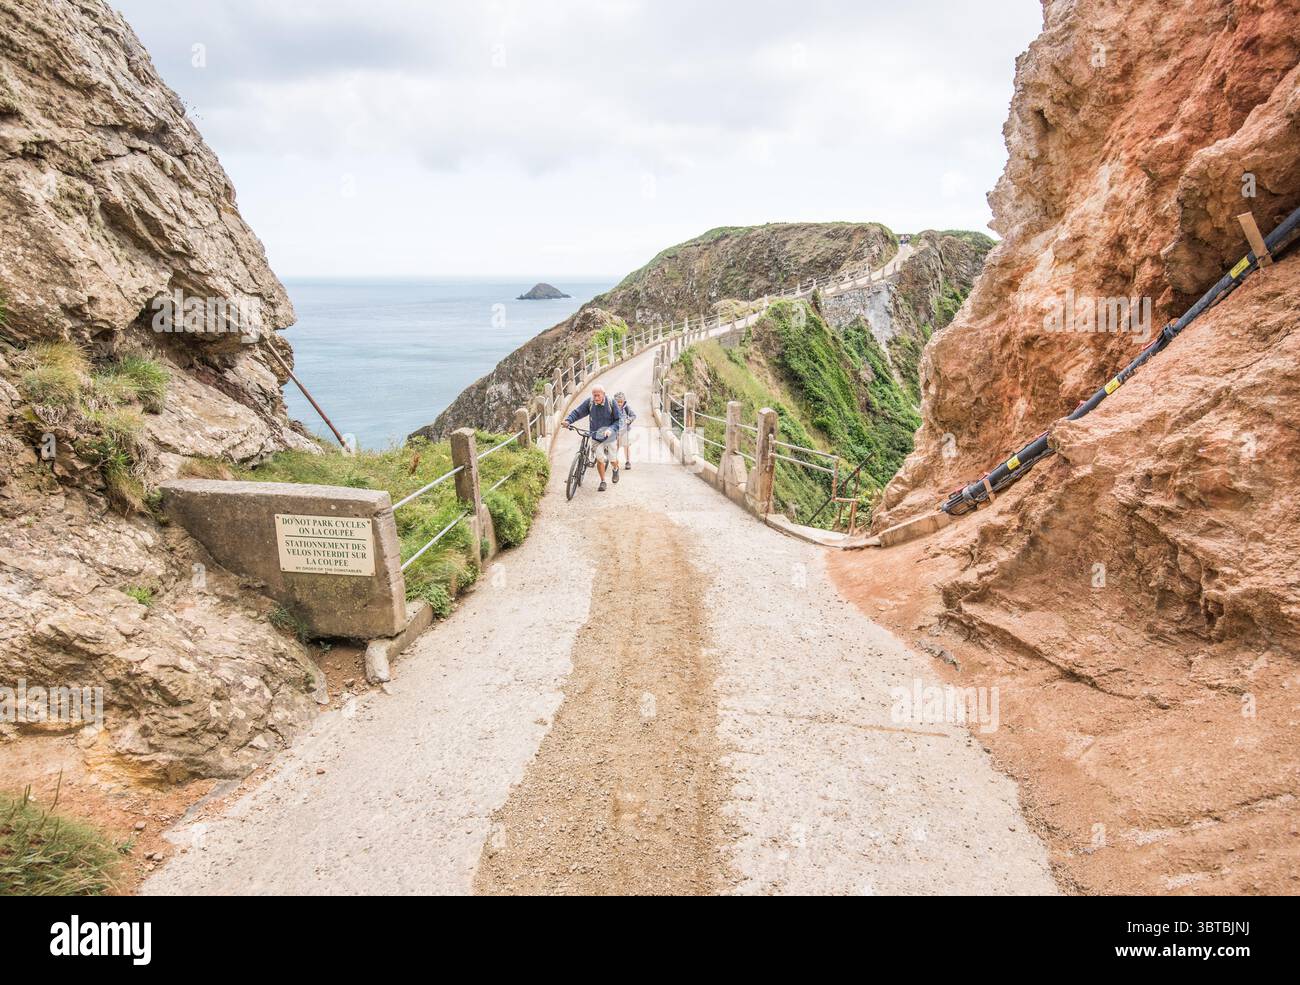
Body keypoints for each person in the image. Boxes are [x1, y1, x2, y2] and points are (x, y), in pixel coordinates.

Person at [562, 385, 624, 490]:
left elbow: (619, 420)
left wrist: (611, 429)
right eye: (594, 395)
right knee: (600, 459)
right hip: (596, 436)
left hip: (610, 436)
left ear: (603, 394)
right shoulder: (590, 402)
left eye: (598, 395)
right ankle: (603, 481)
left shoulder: (611, 402)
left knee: (612, 459)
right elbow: (578, 412)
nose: (596, 398)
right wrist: (568, 420)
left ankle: (615, 468)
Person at [613, 391, 636, 470]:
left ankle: (628, 461)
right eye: (617, 402)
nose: (619, 404)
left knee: (626, 446)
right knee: (616, 446)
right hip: (615, 430)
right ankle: (615, 461)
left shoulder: (626, 408)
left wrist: (629, 420)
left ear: (623, 401)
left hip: (624, 430)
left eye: (621, 402)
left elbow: (633, 415)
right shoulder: (612, 408)